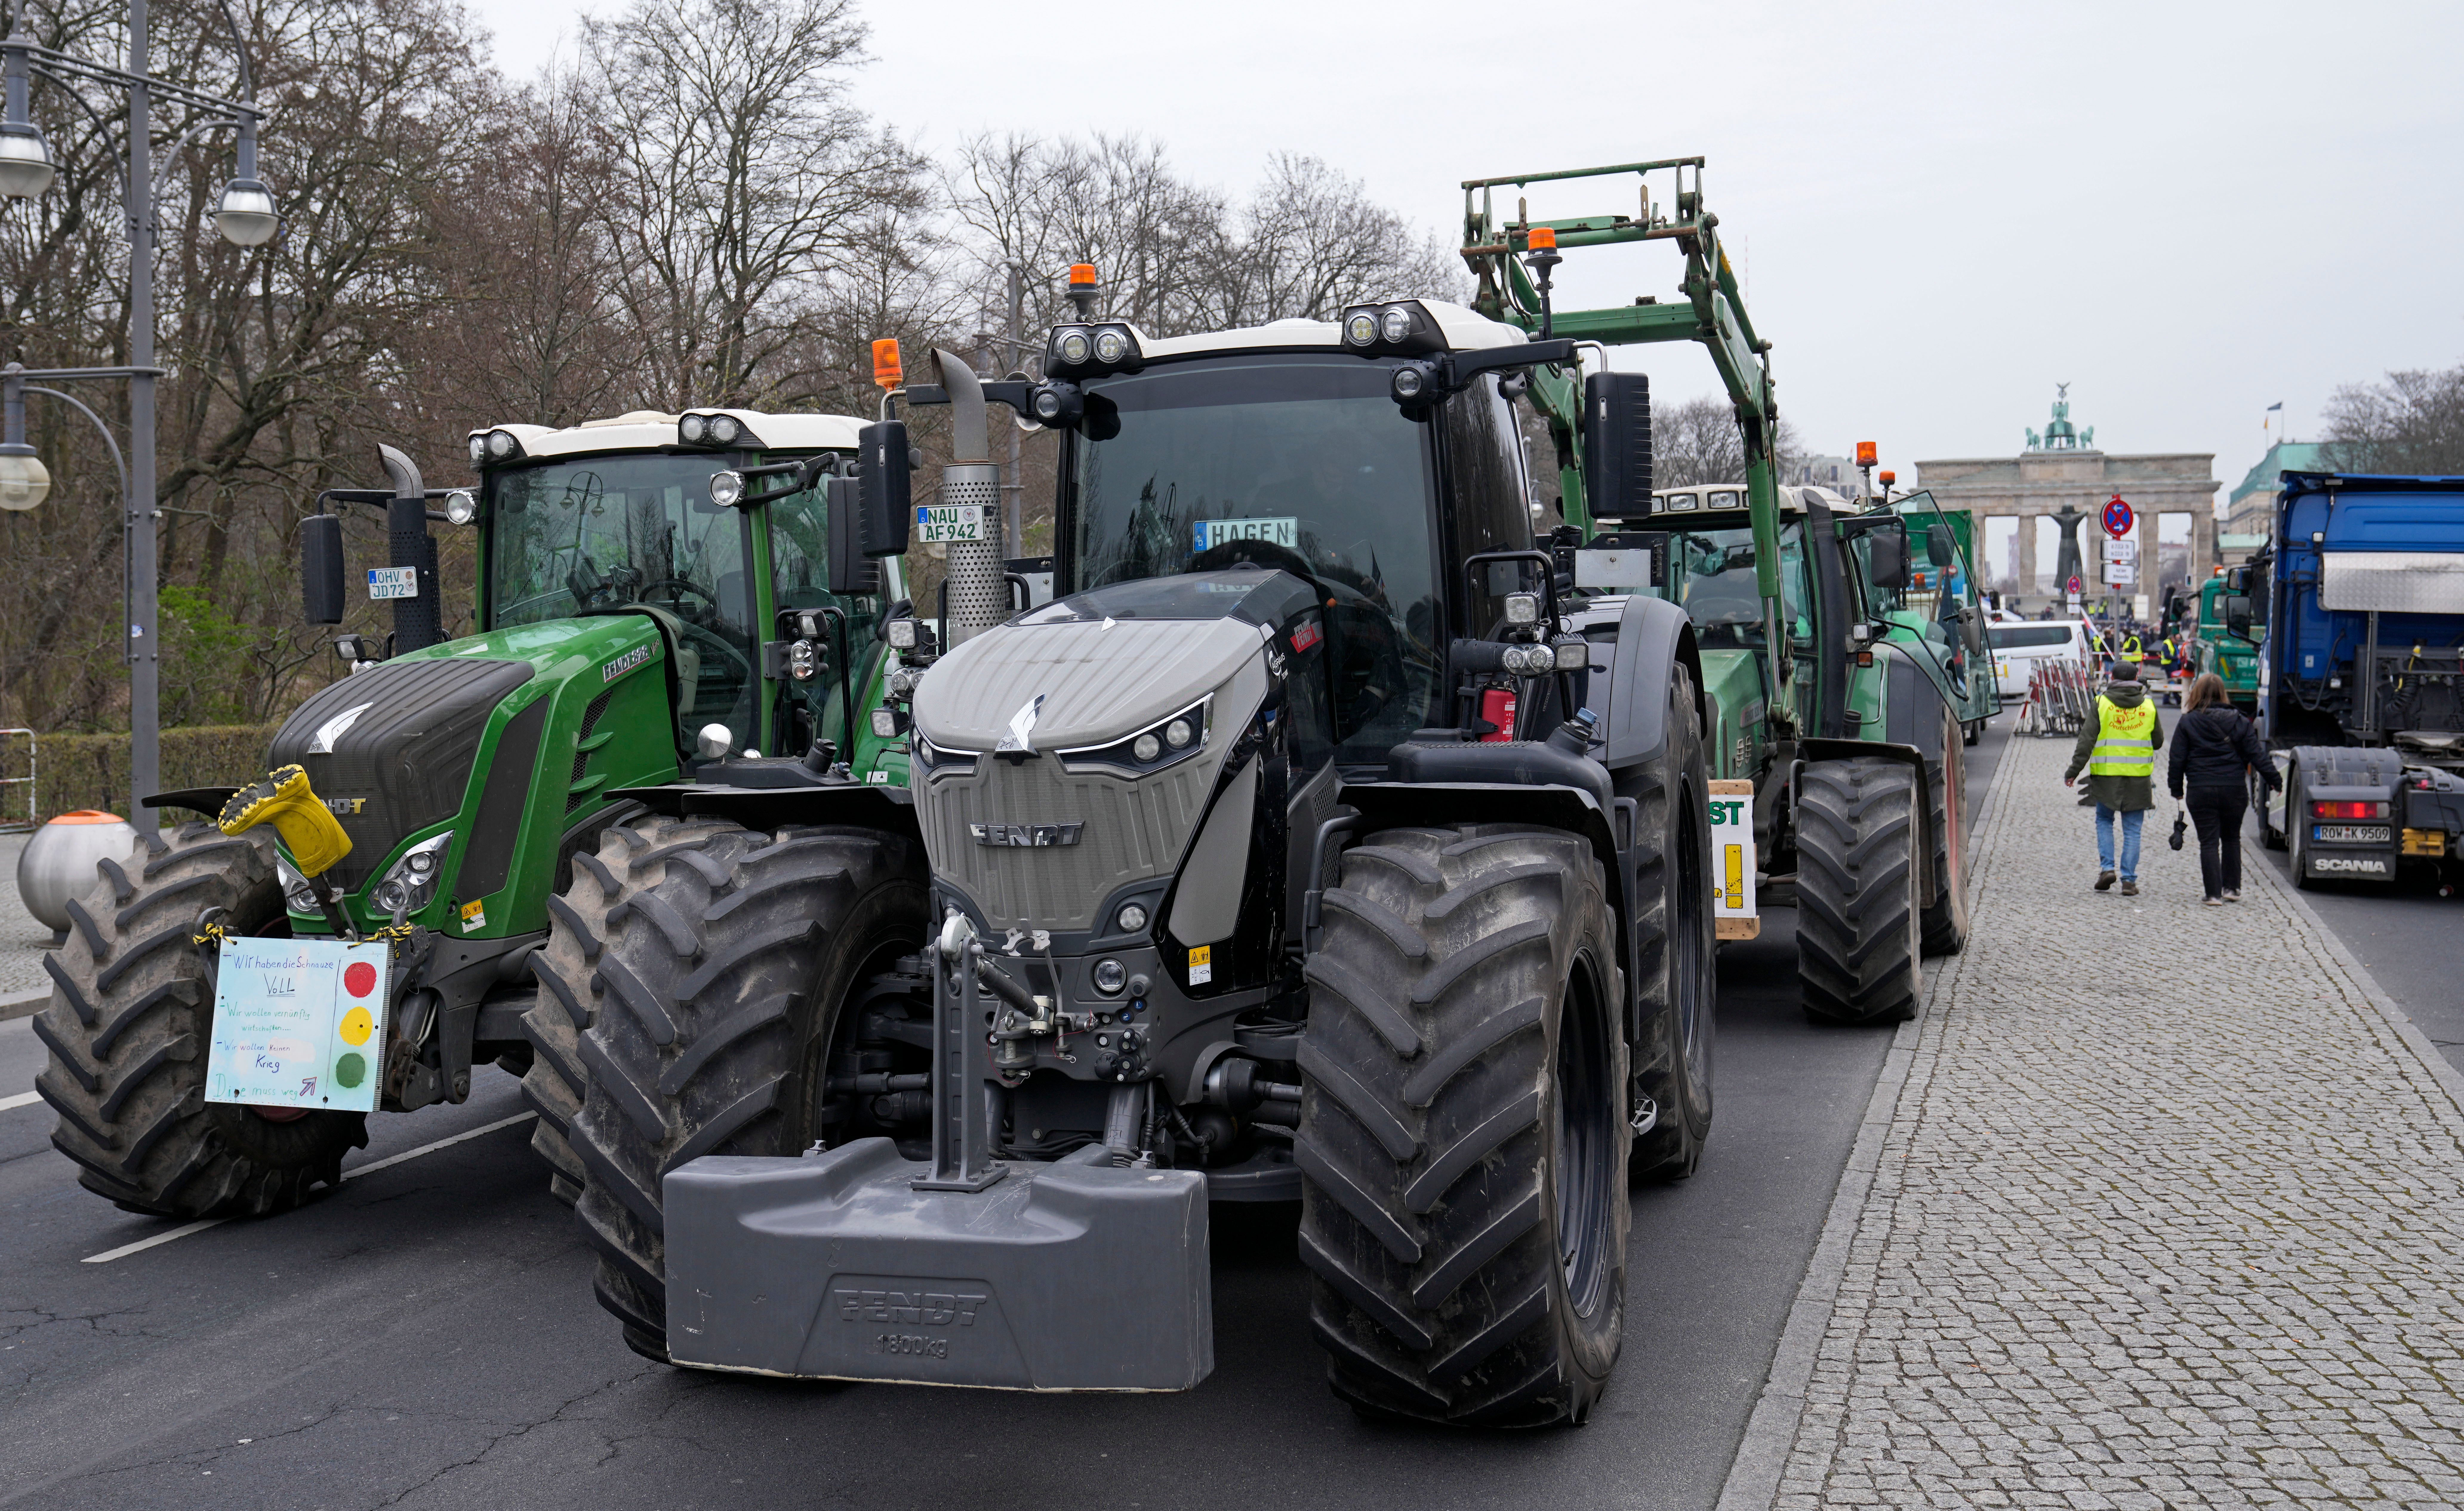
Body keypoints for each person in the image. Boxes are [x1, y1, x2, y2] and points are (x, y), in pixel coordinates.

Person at [2167, 672, 2278, 904]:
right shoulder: (2239, 721)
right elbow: (2257, 756)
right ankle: (2232, 889)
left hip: (2201, 789)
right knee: (2231, 838)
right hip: (2234, 789)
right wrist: (2276, 781)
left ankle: (2213, 894)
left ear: (2197, 693)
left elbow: (2177, 759)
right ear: (2223, 694)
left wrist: (2176, 789)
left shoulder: (2188, 722)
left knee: (2208, 841)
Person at [2065, 659, 2166, 895]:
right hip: (2138, 778)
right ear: (2136, 678)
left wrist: (2074, 772)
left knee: (2104, 821)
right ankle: (2129, 881)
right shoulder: (2149, 706)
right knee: (2132, 830)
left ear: (2112, 678)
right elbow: (2159, 742)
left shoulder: (2101, 704)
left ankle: (2107, 869)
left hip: (2106, 777)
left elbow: (2086, 742)